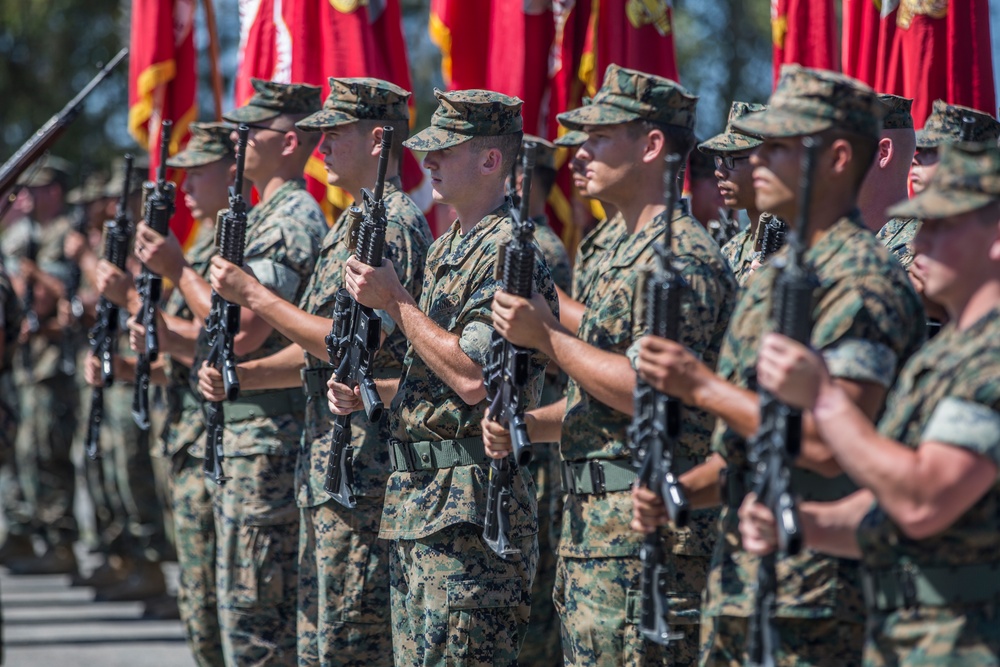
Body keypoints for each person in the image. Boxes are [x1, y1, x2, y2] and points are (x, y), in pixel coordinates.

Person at [631, 65, 927, 667]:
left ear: (839, 157)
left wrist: (701, 386)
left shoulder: (863, 280)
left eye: (780, 147)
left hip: (822, 602)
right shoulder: (776, 279)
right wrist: (683, 493)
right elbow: (758, 444)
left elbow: (824, 444)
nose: (755, 159)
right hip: (740, 585)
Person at [487, 64, 737, 666]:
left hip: (647, 545)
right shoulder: (612, 251)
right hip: (593, 538)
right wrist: (532, 423)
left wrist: (545, 334)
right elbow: (597, 396)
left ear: (652, 146)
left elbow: (652, 393)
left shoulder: (682, 261)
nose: (579, 153)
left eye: (600, 137)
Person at [199, 77, 432, 667]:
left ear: (378, 140)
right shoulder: (352, 223)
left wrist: (254, 294)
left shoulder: (394, 224)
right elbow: (318, 351)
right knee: (319, 645)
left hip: (366, 471)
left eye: (335, 134)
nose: (319, 145)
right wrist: (243, 380)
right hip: (331, 464)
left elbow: (347, 343)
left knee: (351, 646)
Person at [742, 140, 1000, 667]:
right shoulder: (949, 352)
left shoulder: (991, 357)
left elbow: (924, 498)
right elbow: (887, 496)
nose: (919, 242)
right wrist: (802, 523)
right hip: (906, 634)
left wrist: (825, 399)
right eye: (921, 225)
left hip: (966, 640)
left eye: (943, 226)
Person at [326, 88, 558, 667]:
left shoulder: (509, 250)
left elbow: (475, 376)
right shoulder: (451, 247)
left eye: (444, 150)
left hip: (471, 521)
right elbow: (430, 382)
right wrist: (370, 396)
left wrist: (397, 300)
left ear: (490, 160)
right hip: (419, 510)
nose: (427, 162)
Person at [135, 79, 326, 666]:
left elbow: (242, 334)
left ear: (290, 141)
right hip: (237, 439)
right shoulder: (260, 214)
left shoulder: (291, 216)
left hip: (266, 440)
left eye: (251, 130)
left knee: (257, 632)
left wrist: (175, 270)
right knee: (225, 622)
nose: (237, 139)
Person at [1, 155, 81, 575]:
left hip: (54, 362)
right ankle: (33, 532)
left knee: (50, 450)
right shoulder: (22, 233)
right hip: (27, 362)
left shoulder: (67, 233)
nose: (27, 197)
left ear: (55, 192)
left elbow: (52, 297)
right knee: (27, 451)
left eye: (37, 188)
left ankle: (59, 540)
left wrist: (30, 276)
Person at [697, 101, 769, 286]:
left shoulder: (798, 247)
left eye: (732, 159)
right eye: (719, 159)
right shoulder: (729, 251)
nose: (719, 172)